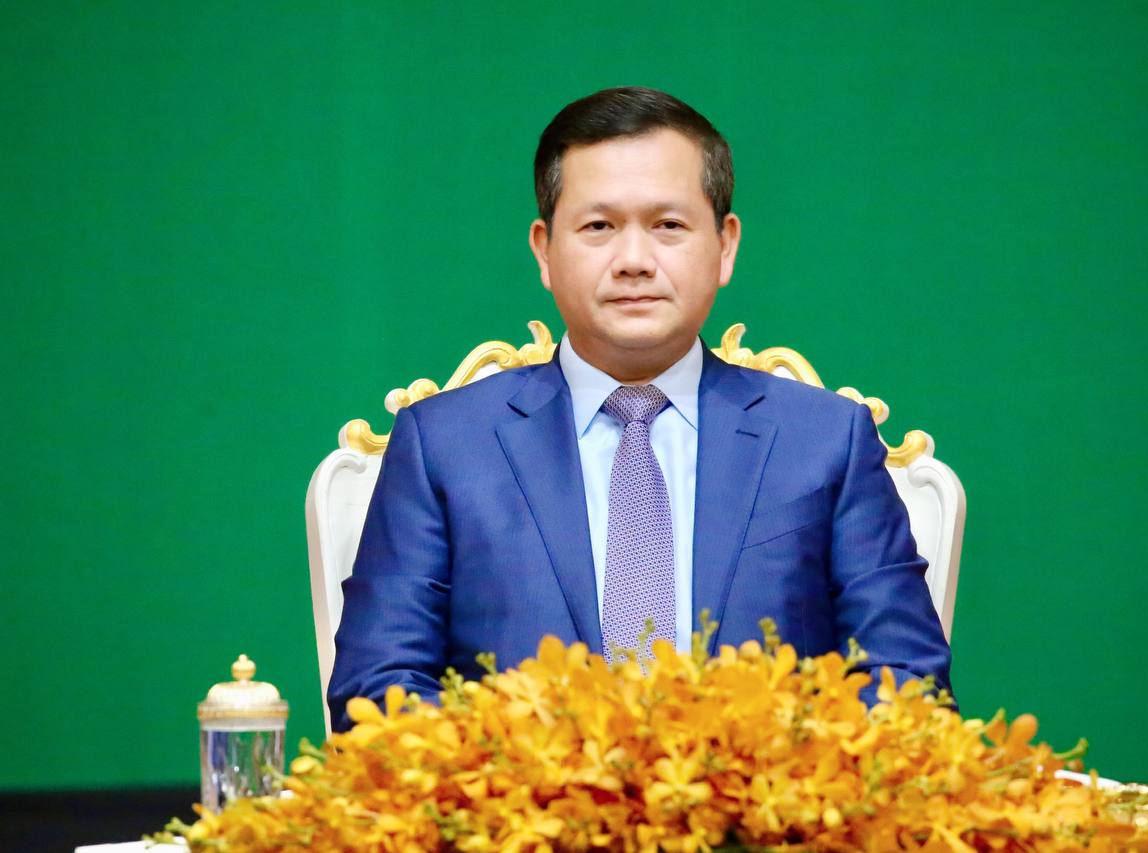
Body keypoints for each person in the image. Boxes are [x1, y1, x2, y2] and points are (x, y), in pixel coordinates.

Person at [327, 86, 951, 731]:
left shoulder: (825, 440)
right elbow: (378, 688)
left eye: (668, 226)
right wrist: (549, 767)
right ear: (544, 250)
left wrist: (747, 767)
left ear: (725, 246)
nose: (633, 261)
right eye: (598, 227)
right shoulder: (444, 444)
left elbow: (909, 685)